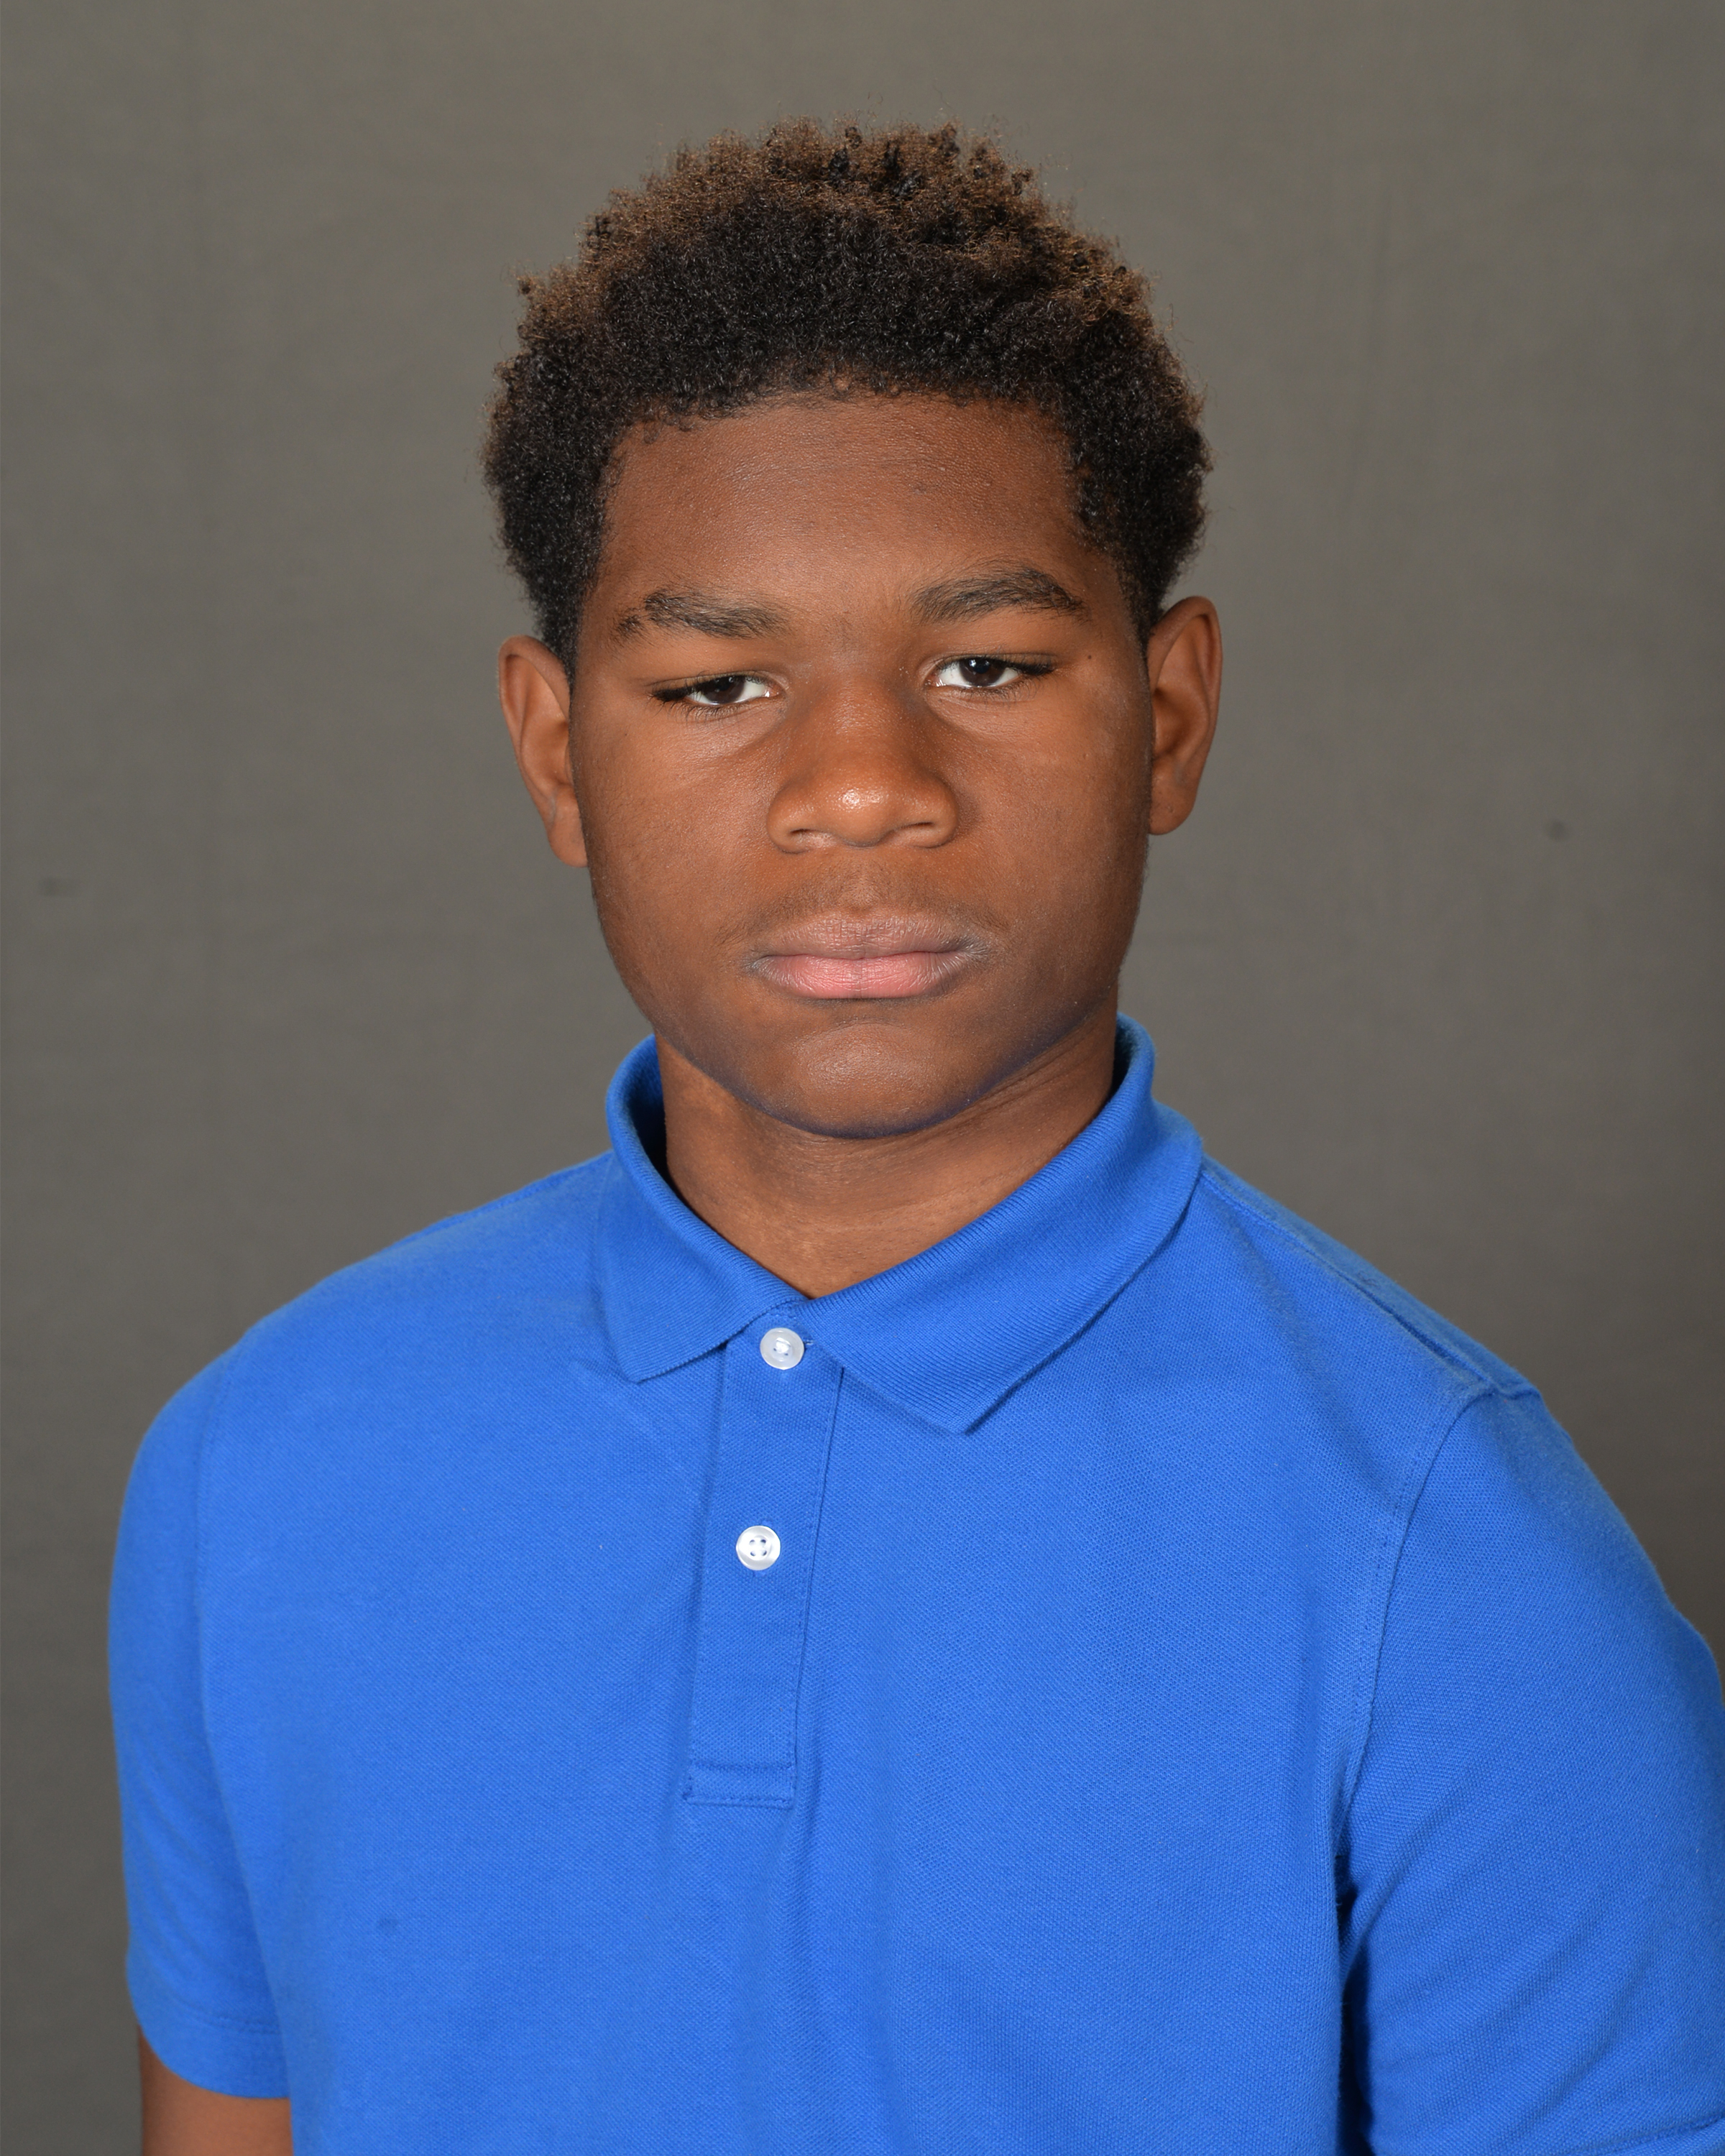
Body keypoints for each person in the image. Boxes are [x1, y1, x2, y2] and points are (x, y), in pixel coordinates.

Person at [111, 119, 1725, 2156]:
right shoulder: (260, 1466)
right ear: (555, 750)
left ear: (1168, 715)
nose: (863, 784)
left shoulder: (1460, 1568)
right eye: (717, 685)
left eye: (988, 665)